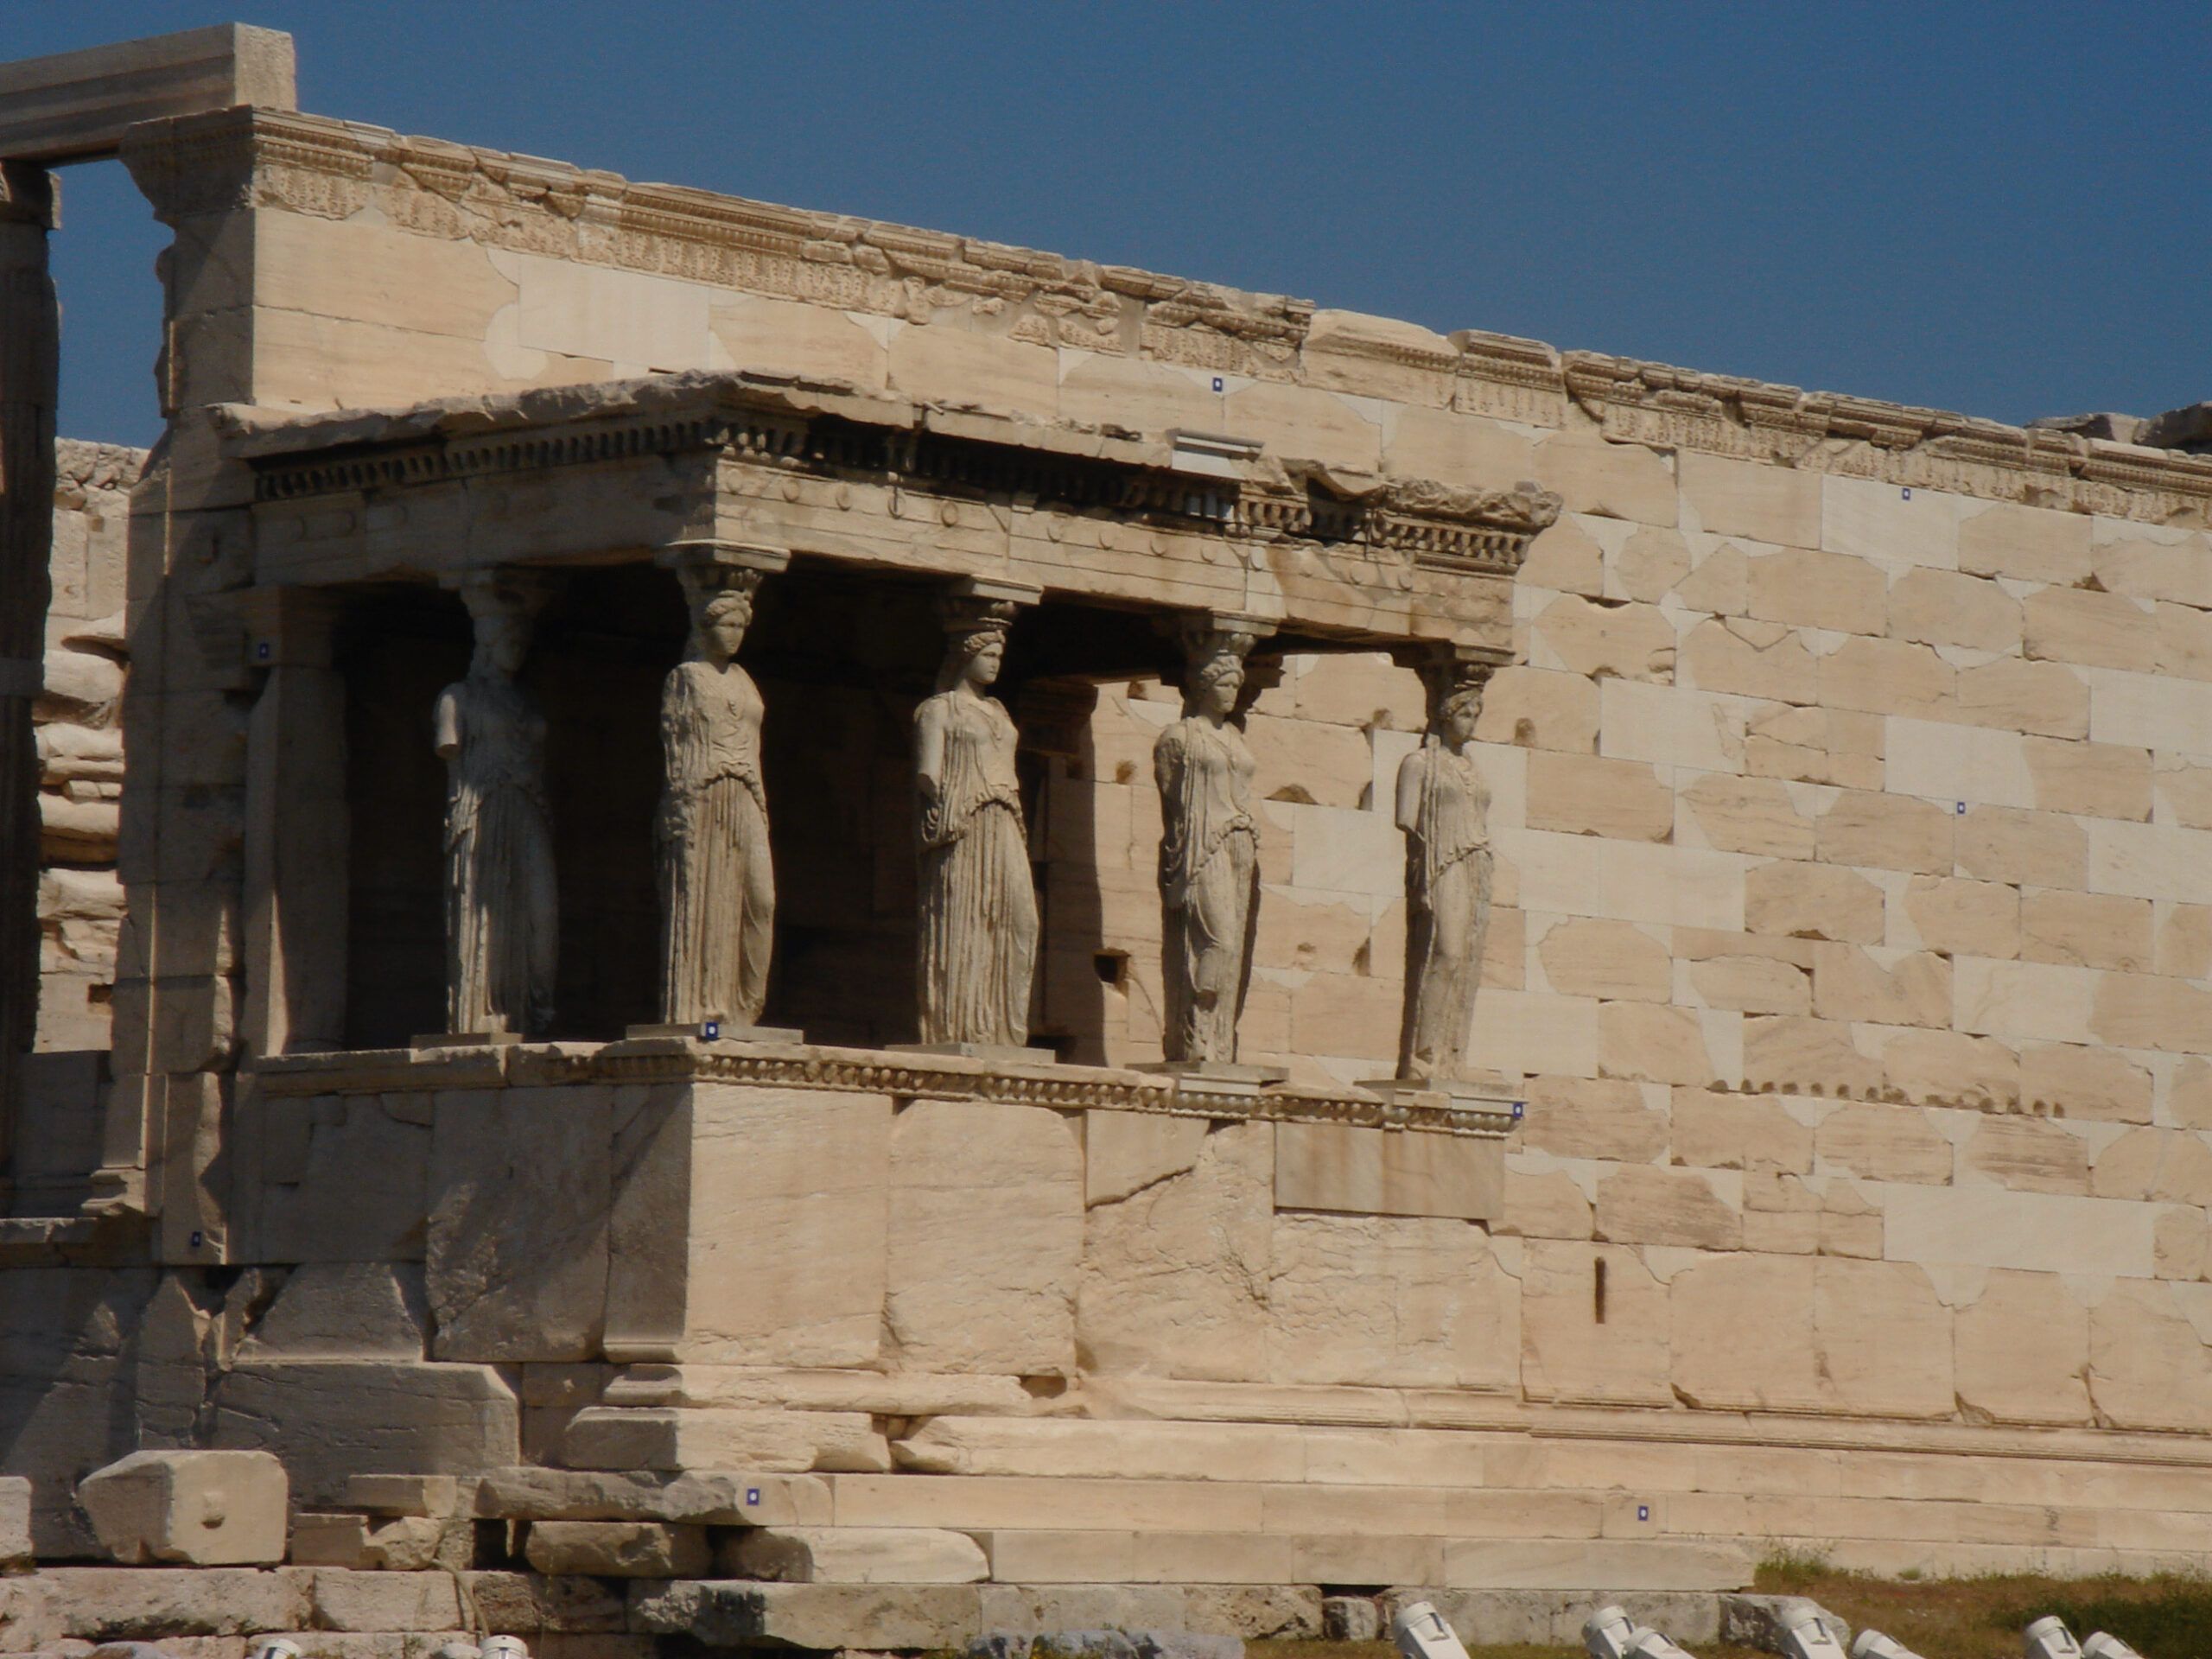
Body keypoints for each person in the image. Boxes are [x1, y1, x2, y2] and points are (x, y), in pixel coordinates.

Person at [434, 574, 556, 1037]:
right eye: (508, 638)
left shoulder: (527, 698)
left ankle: (534, 1009)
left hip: (528, 808)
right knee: (485, 909)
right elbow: (448, 745)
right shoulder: (456, 698)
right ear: (485, 642)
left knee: (540, 917)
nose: (517, 648)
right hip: (482, 808)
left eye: (522, 640)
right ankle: (478, 1016)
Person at [915, 600, 1037, 1046]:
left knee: (1021, 920)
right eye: (988, 655)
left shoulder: (1001, 712)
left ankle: (1005, 1031)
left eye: (999, 656)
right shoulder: (938, 710)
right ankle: (961, 1026)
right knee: (967, 920)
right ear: (966, 656)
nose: (995, 663)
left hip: (1005, 821)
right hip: (963, 825)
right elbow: (929, 776)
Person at [658, 569, 773, 1026]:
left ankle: (746, 1009)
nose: (736, 635)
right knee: (704, 896)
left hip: (746, 794)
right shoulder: (685, 678)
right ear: (705, 626)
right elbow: (675, 751)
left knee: (760, 900)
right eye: (727, 625)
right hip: (703, 797)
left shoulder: (745, 679)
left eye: (742, 627)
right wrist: (681, 817)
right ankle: (704, 1009)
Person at [1155, 641, 1260, 1064]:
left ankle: (1217, 1044)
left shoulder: (1235, 736)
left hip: (1240, 843)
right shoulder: (1177, 738)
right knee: (1217, 939)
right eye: (1224, 683)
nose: (1231, 692)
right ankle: (1193, 1032)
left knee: (1235, 948)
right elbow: (1170, 801)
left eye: (1236, 684)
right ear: (1203, 686)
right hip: (1202, 845)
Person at [1395, 671, 1493, 1080]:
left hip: (1476, 862)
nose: (1471, 721)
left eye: (1476, 713)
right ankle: (1421, 1053)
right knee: (1446, 950)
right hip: (1441, 862)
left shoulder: (1472, 766)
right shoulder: (1418, 764)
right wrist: (1422, 883)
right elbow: (1406, 820)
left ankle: (1450, 1056)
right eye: (1464, 713)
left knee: (1466, 957)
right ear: (1445, 715)